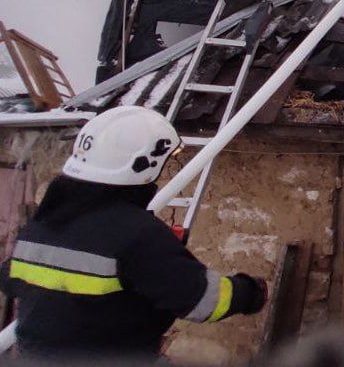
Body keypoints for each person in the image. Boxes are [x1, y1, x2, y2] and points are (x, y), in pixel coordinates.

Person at [0, 106, 266, 361]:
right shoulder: (137, 234)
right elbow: (203, 300)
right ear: (142, 166)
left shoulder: (38, 227)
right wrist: (250, 292)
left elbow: (10, 280)